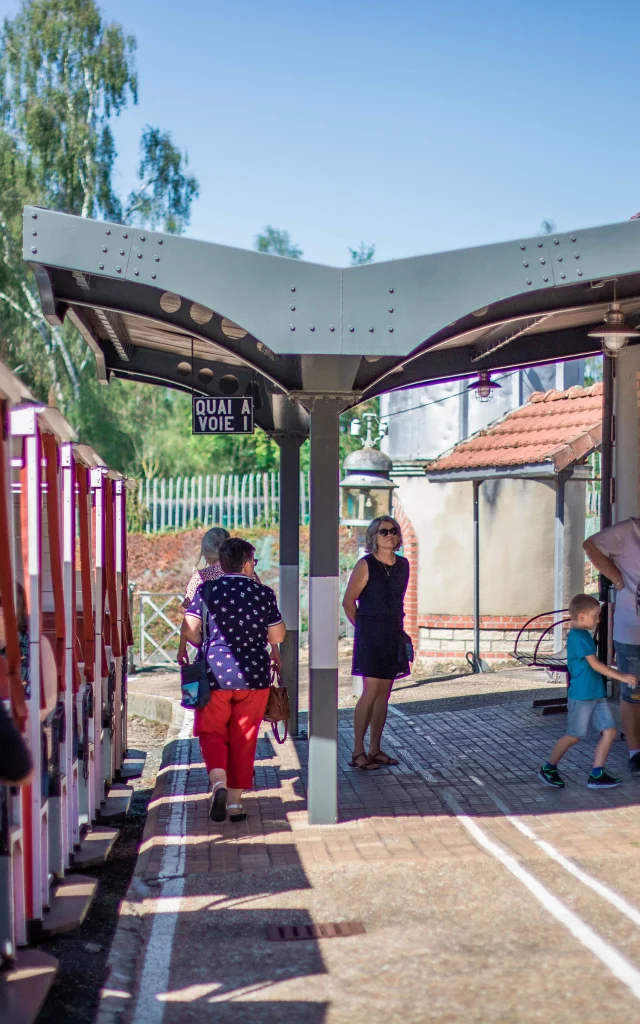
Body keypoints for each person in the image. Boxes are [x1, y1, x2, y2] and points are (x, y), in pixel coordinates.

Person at [179, 538, 286, 823]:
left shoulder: (207, 588)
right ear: (248, 562)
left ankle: (218, 783)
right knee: (244, 737)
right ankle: (236, 804)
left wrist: (208, 644)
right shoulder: (263, 593)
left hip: (214, 674)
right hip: (254, 677)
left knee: (212, 732)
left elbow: (189, 630)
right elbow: (277, 636)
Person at [538, 593, 636, 790]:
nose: (598, 619)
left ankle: (597, 773)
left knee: (609, 731)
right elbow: (595, 665)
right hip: (582, 696)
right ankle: (548, 768)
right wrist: (621, 676)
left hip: (596, 694)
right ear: (582, 617)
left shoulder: (583, 635)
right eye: (595, 616)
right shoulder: (578, 637)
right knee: (574, 735)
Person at [342, 515, 410, 771]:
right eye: (383, 532)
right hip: (371, 633)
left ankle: (375, 748)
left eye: (393, 531)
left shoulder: (403, 565)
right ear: (373, 536)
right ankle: (358, 751)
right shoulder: (365, 564)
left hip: (393, 632)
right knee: (370, 693)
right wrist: (364, 630)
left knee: (385, 694)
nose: (389, 535)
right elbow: (349, 603)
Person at [584, 519, 640, 773]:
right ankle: (635, 752)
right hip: (633, 632)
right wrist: (617, 580)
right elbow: (591, 545)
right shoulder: (628, 531)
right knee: (634, 693)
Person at [177, 527, 278, 667]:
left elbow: (188, 619)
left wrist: (183, 648)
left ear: (205, 551)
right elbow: (266, 614)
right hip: (250, 655)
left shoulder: (200, 578)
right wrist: (274, 649)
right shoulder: (249, 574)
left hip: (214, 655)